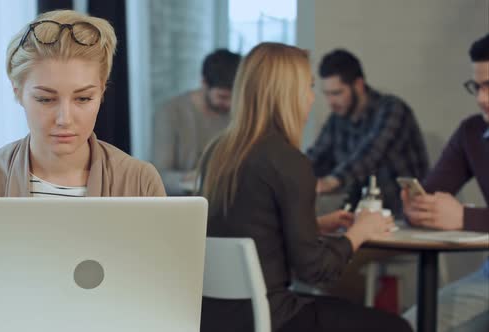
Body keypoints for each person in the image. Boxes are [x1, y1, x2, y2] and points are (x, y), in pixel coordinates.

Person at [0, 10, 165, 324]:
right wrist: (2, 309)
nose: (64, 118)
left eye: (83, 99)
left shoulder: (139, 180)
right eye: (45, 100)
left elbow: (162, 288)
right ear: (18, 94)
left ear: (102, 94)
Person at [198, 42, 412, 332]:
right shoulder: (288, 161)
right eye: (310, 87)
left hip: (213, 316)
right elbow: (316, 270)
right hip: (271, 317)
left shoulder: (216, 153)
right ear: (288, 94)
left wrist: (316, 225)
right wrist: (359, 231)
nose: (313, 99)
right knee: (396, 327)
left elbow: (249, 228)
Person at [402, 33, 489, 332]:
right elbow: (433, 190)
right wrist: (420, 208)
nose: (481, 99)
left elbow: (462, 217)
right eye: (476, 87)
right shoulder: (472, 133)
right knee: (408, 327)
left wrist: (464, 217)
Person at [307, 49, 429, 215]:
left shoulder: (392, 109)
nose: (331, 102)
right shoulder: (337, 119)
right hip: (362, 217)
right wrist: (293, 177)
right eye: (327, 94)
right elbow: (317, 155)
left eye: (337, 93)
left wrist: (330, 182)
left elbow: (369, 155)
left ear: (358, 85)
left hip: (404, 217)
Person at [153, 49, 241, 195]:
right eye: (223, 97)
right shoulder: (171, 112)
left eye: (234, 97)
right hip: (184, 203)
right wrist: (190, 179)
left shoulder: (236, 112)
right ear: (204, 83)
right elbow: (159, 174)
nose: (230, 104)